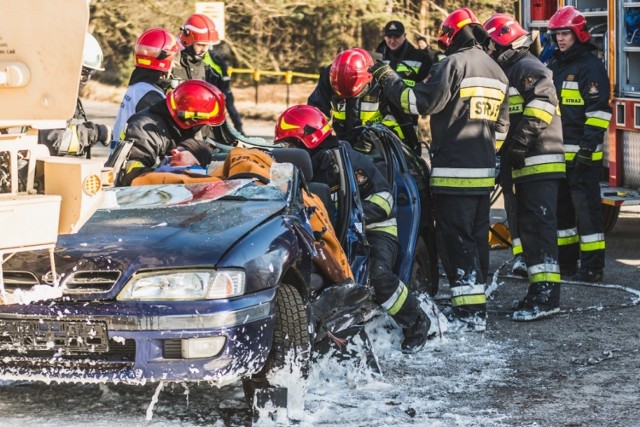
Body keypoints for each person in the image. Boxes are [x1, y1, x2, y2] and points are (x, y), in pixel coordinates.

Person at [370, 8, 510, 332]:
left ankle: (469, 315)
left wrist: (387, 78)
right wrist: (488, 157)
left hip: (454, 174)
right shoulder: (497, 71)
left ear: (451, 34)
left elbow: (415, 103)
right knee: (475, 241)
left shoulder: (453, 64)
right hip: (483, 175)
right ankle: (476, 307)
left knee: (456, 242)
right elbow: (502, 128)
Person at [274, 104, 435, 354]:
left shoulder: (350, 161)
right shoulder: (307, 166)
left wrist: (356, 217)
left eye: (290, 145)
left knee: (377, 275)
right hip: (334, 234)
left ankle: (416, 322)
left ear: (308, 138)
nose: (288, 152)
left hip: (377, 230)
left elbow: (384, 200)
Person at [483, 14, 565, 321]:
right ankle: (537, 292)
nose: (487, 49)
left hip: (539, 161)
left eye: (490, 42)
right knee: (530, 229)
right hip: (525, 163)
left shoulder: (528, 67)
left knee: (540, 229)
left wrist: (518, 144)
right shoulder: (511, 69)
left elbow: (543, 105)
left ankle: (546, 298)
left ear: (503, 40)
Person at [547, 6, 611, 283]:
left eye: (566, 34)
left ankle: (593, 267)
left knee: (587, 213)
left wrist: (588, 147)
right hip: (557, 151)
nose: (561, 39)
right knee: (562, 212)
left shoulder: (591, 67)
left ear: (578, 34)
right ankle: (567, 263)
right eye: (558, 34)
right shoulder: (555, 66)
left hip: (583, 155)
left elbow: (599, 112)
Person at [307, 48, 416, 153]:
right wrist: (321, 138)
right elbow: (316, 111)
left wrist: (376, 137)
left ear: (368, 77)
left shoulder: (383, 80)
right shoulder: (329, 76)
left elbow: (398, 120)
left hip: (381, 148)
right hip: (343, 142)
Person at [121, 79, 224, 185]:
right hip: (132, 194)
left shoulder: (182, 126)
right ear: (190, 118)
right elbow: (132, 173)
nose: (201, 126)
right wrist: (173, 170)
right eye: (201, 123)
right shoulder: (143, 127)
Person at [38, 33, 111, 157]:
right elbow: (55, 141)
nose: (84, 80)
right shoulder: (54, 96)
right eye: (84, 74)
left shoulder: (54, 90)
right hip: (36, 172)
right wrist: (94, 133)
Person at [171, 13, 245, 135]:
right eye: (200, 44)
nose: (205, 49)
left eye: (207, 45)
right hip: (176, 133)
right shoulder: (173, 66)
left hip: (203, 134)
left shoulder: (208, 71)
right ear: (187, 40)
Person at [112, 28, 182, 144]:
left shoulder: (138, 87)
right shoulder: (151, 96)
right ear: (163, 60)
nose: (174, 66)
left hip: (122, 155)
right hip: (135, 159)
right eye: (172, 59)